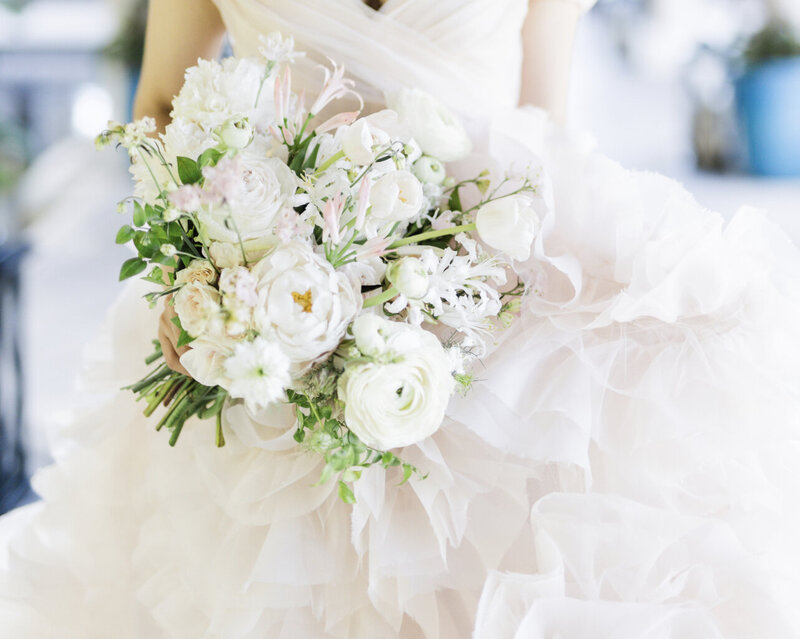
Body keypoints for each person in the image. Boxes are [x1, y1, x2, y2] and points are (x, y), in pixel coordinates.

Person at [2, 0, 800, 637]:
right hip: (269, 317)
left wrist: (480, 277)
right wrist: (200, 269)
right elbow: (161, 105)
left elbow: (546, 131)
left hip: (487, 315)